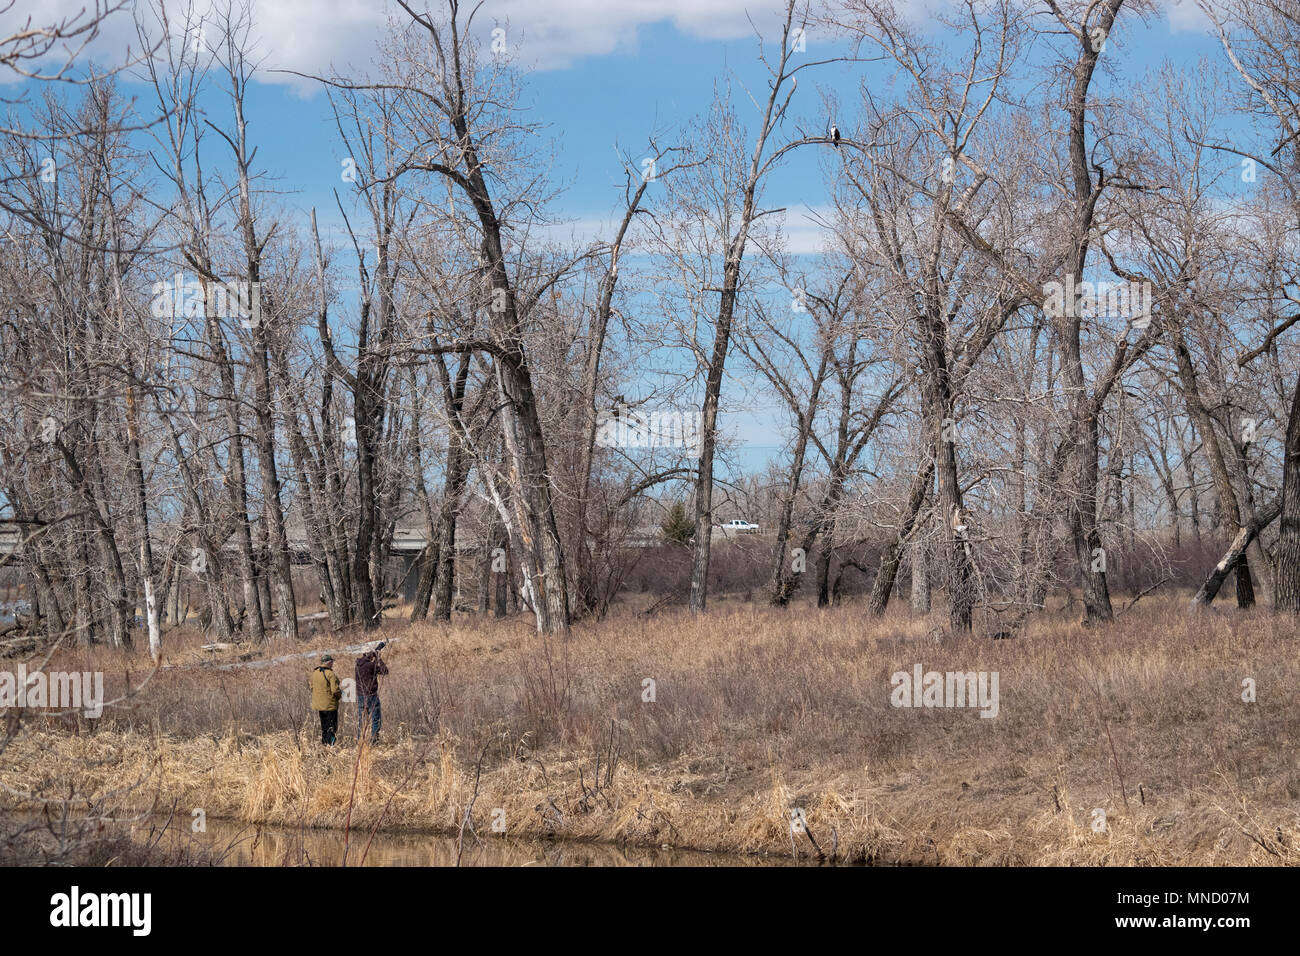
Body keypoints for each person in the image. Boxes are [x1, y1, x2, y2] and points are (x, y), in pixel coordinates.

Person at [354, 642, 388, 743]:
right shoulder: (370, 665)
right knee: (375, 719)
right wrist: (378, 658)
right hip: (371, 696)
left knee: (362, 721)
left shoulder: (357, 665)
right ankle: (374, 742)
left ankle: (360, 741)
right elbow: (385, 671)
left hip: (360, 696)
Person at [310, 654, 342, 745]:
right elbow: (335, 690)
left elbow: (312, 687)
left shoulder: (315, 672)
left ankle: (324, 745)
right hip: (330, 706)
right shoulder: (330, 674)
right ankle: (331, 746)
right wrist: (339, 696)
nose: (333, 663)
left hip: (319, 706)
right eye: (332, 662)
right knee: (332, 728)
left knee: (324, 727)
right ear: (329, 662)